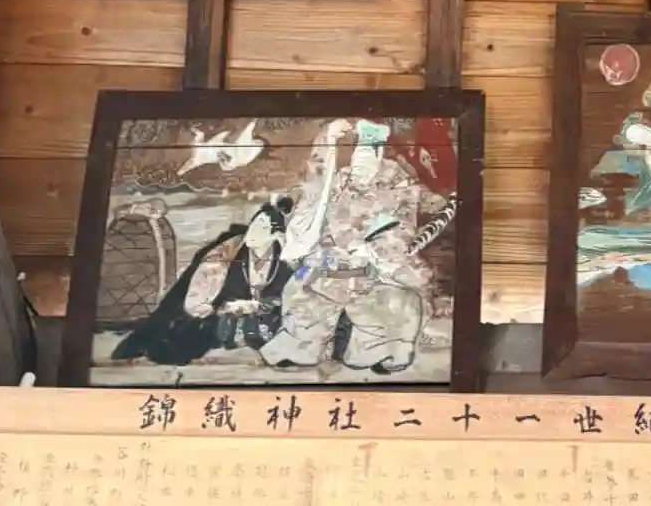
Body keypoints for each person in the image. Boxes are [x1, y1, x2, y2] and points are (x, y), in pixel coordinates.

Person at [261, 119, 449, 375]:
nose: (360, 159)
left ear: (379, 155)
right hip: (326, 266)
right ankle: (297, 350)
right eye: (358, 152)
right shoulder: (338, 183)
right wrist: (326, 139)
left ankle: (380, 353)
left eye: (368, 152)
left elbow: (402, 229)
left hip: (372, 271)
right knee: (302, 301)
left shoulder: (400, 189)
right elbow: (315, 186)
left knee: (396, 306)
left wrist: (372, 249)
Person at [110, 197, 293, 366]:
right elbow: (200, 297)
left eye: (262, 228)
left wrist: (260, 306)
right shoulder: (229, 250)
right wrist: (225, 307)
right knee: (184, 334)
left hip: (261, 316)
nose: (253, 232)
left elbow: (286, 295)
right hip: (219, 310)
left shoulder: (283, 258)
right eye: (254, 224)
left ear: (275, 235)